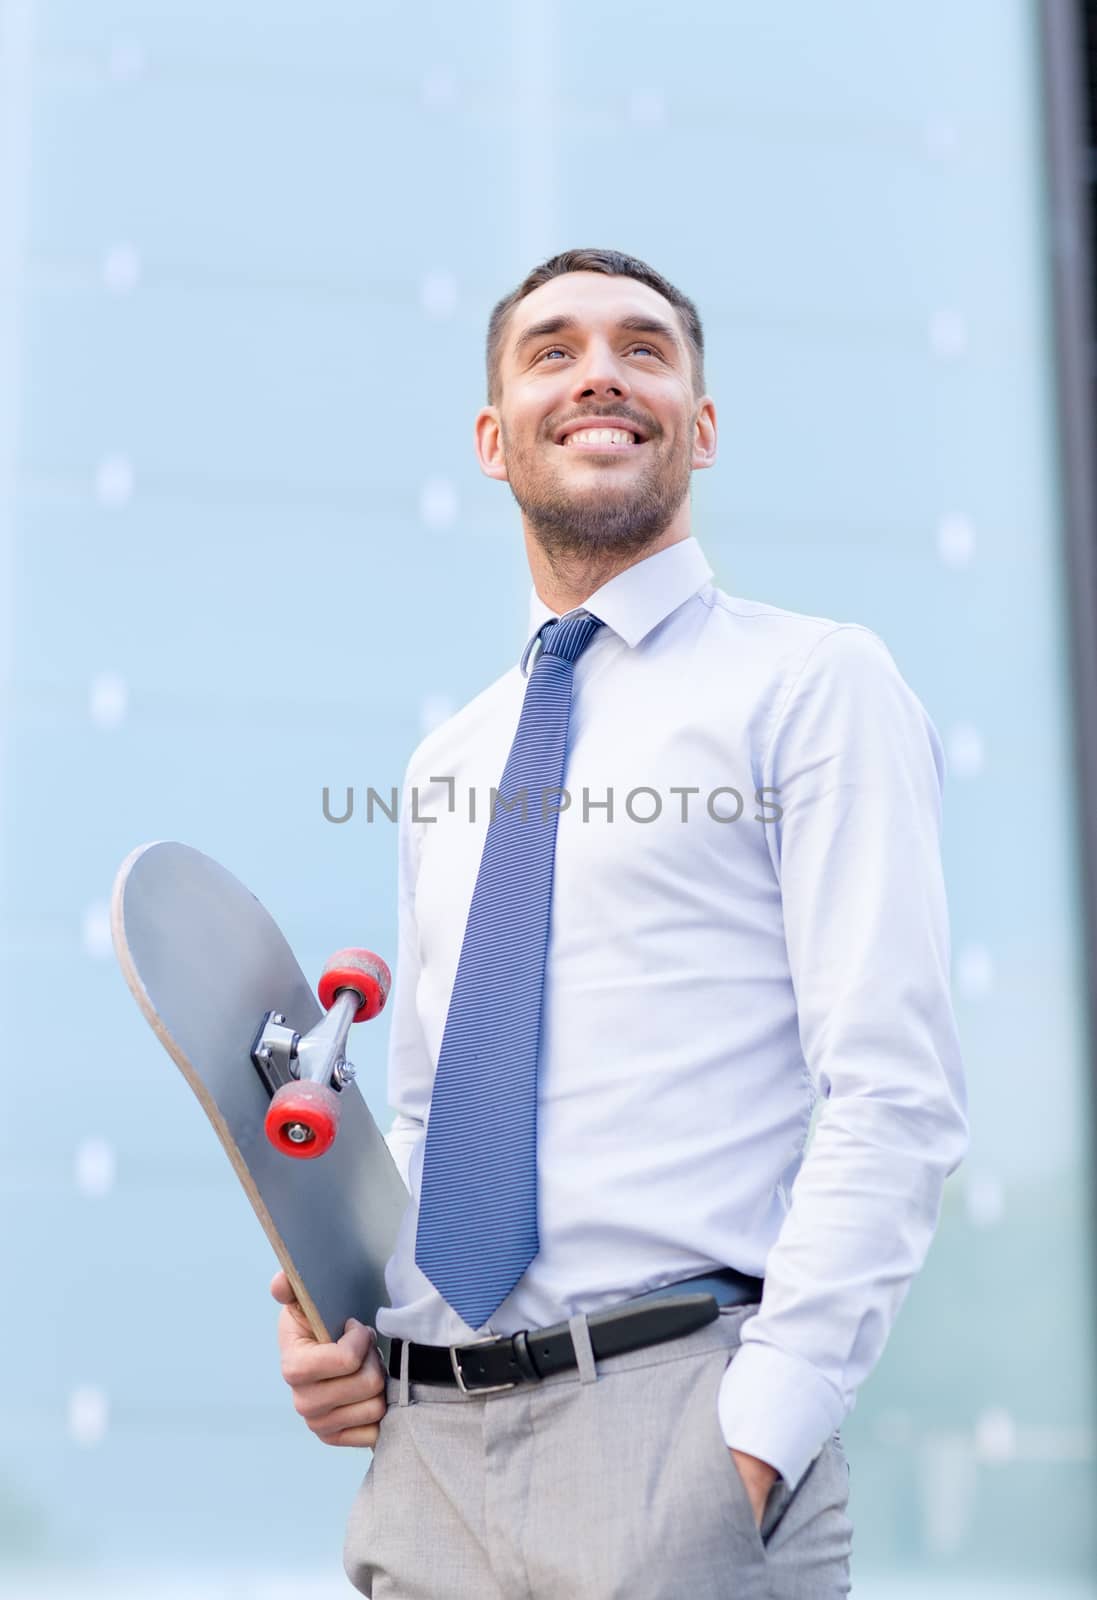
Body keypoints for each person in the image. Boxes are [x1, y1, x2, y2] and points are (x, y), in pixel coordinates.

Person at [271, 246, 969, 1599]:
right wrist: (345, 1334)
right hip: (426, 1465)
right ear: (493, 438)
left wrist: (753, 1442)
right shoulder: (446, 763)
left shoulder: (813, 686)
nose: (599, 371)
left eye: (643, 349)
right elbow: (424, 1122)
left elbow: (893, 1094)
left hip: (678, 1434)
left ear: (699, 427)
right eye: (552, 351)